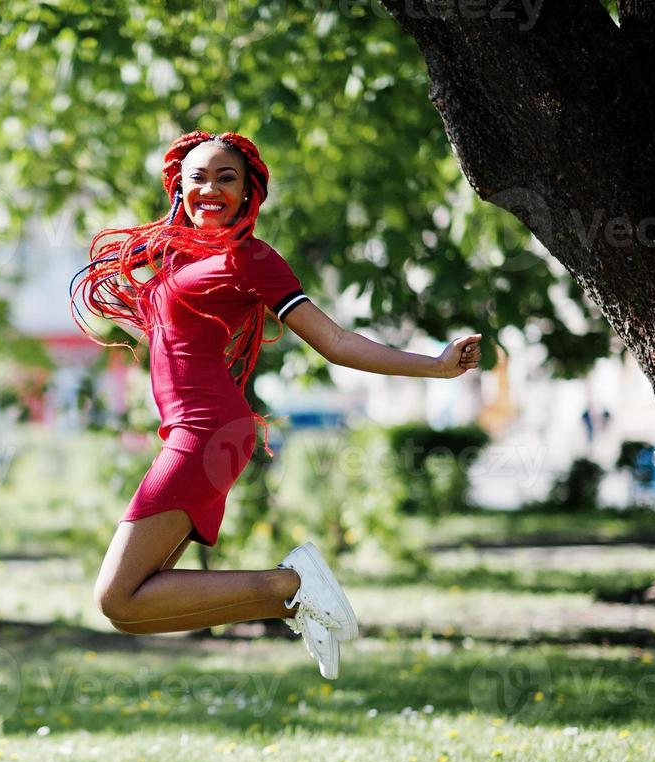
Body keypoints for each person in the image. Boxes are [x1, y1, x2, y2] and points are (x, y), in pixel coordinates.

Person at [68, 130, 482, 679]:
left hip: (207, 429)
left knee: (116, 598)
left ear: (248, 193)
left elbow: (334, 343)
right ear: (178, 187)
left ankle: (293, 585)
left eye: (226, 178)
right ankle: (292, 599)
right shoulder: (179, 254)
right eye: (198, 177)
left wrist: (433, 365)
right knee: (134, 610)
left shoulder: (251, 258)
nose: (210, 188)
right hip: (197, 430)